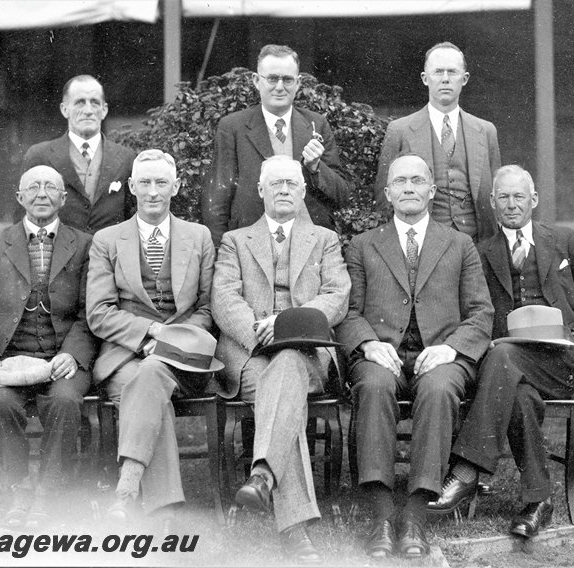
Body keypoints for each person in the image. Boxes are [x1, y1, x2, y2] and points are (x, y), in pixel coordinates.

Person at [428, 165, 574, 538]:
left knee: (501, 360)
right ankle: (538, 501)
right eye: (504, 197)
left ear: (534, 200)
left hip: (562, 360)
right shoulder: (480, 252)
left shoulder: (565, 241)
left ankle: (466, 471)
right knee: (519, 395)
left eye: (519, 196)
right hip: (509, 365)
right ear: (493, 203)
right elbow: (475, 311)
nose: (512, 205)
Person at [336, 154, 493, 558]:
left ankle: (417, 516)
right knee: (372, 385)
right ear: (387, 193)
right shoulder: (362, 244)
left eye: (417, 180)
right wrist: (369, 344)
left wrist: (451, 347)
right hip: (381, 352)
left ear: (432, 191)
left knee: (440, 391)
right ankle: (382, 516)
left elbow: (481, 312)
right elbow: (348, 311)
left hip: (440, 354)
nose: (409, 187)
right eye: (400, 181)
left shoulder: (460, 244)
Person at [212, 155, 350, 564]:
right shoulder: (235, 241)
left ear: (304, 191)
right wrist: (259, 330)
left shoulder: (325, 239)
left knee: (288, 365)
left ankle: (262, 477)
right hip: (251, 354)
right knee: (280, 388)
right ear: (260, 191)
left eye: (292, 183)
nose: (285, 189)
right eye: (276, 184)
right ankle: (292, 525)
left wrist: (287, 325)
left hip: (306, 353)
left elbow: (336, 295)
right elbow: (223, 297)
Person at [85, 149, 222, 524]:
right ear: (131, 187)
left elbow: (209, 309)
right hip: (126, 358)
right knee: (148, 381)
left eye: (161, 182)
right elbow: (98, 313)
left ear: (175, 186)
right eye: (144, 182)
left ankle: (128, 490)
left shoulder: (199, 236)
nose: (152, 191)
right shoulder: (108, 240)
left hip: (185, 359)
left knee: (152, 375)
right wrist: (149, 332)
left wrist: (168, 341)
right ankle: (165, 514)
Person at [0, 165, 95, 528]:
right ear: (19, 197)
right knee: (0, 402)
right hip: (7, 360)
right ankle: (19, 488)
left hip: (61, 358)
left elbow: (89, 313)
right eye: (33, 187)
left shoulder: (83, 244)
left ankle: (47, 494)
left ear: (64, 199)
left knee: (64, 401)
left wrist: (73, 354)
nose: (42, 194)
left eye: (51, 187)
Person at [203, 44, 353, 248]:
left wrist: (316, 168)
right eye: (272, 78)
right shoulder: (233, 127)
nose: (280, 87)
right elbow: (217, 201)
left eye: (288, 79)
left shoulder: (316, 124)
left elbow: (342, 195)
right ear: (257, 80)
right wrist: (225, 254)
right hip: (250, 248)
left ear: (298, 83)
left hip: (308, 247)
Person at [375, 42, 500, 241]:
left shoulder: (485, 131)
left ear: (465, 79)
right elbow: (384, 198)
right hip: (422, 241)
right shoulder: (400, 130)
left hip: (475, 242)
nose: (445, 79)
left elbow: (495, 196)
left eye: (452, 72)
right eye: (438, 72)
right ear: (425, 79)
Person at [22, 75, 137, 234]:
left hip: (110, 255)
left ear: (104, 110)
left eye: (95, 103)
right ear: (64, 109)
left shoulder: (126, 158)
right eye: (79, 102)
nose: (88, 111)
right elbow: (23, 219)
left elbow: (132, 218)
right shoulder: (39, 156)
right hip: (58, 255)